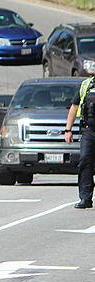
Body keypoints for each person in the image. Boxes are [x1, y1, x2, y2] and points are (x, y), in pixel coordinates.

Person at [64, 76, 95, 208]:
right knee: (85, 161)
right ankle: (85, 198)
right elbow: (74, 106)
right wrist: (68, 129)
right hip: (89, 131)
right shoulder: (87, 85)